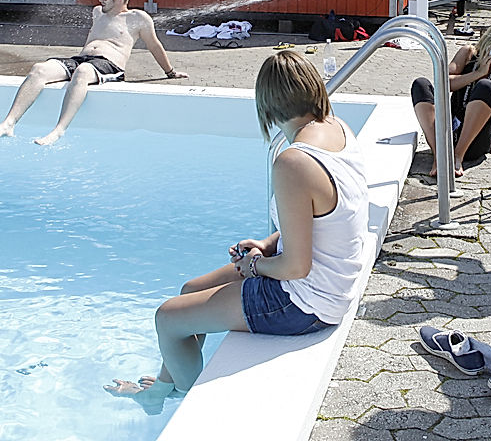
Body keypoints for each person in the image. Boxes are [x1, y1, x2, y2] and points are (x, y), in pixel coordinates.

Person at [104, 50, 370, 413]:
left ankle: (179, 395)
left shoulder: (294, 161)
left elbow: (297, 268)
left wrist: (255, 267)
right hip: (328, 283)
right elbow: (325, 221)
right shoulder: (337, 129)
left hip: (305, 303)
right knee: (189, 291)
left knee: (167, 319)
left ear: (267, 106)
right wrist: (265, 244)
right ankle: (169, 381)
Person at [0, 0, 187, 145]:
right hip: (82, 59)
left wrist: (170, 72)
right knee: (40, 69)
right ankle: (8, 124)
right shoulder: (97, 13)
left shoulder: (138, 18)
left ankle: (58, 130)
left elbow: (154, 46)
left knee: (83, 73)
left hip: (109, 66)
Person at [410, 22, 491, 179]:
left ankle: (457, 156)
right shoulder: (468, 53)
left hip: (476, 139)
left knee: (486, 86)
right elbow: (444, 83)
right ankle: (439, 155)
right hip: (451, 128)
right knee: (420, 84)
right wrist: (479, 72)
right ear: (489, 46)